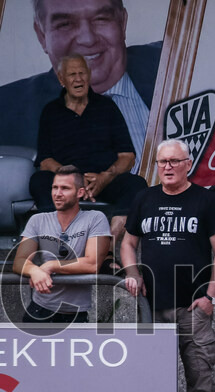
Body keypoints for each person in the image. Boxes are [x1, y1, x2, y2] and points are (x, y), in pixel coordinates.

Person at [121, 139, 215, 392]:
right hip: (152, 306)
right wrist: (133, 273)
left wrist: (211, 297)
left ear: (187, 164)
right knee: (152, 377)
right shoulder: (144, 199)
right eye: (162, 162)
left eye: (173, 161)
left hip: (193, 308)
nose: (167, 167)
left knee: (200, 378)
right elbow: (128, 244)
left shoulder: (205, 201)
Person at [0, 0, 160, 170]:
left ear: (122, 22)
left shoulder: (178, 60)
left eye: (101, 19)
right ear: (42, 35)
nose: (88, 39)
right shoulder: (6, 113)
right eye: (65, 24)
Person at [30, 54, 147, 245]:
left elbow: (127, 156)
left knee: (137, 185)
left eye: (82, 73)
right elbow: (45, 161)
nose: (78, 79)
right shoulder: (51, 111)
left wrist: (105, 177)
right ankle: (61, 243)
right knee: (39, 181)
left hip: (103, 180)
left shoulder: (107, 107)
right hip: (68, 181)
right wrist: (74, 178)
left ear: (89, 75)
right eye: (72, 74)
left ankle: (106, 248)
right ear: (61, 79)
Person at [12, 165, 110, 323]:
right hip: (39, 309)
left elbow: (92, 264)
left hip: (75, 314)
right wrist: (34, 271)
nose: (57, 194)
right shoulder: (38, 219)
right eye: (54, 188)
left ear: (80, 192)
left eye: (65, 188)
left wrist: (51, 265)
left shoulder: (95, 218)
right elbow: (19, 262)